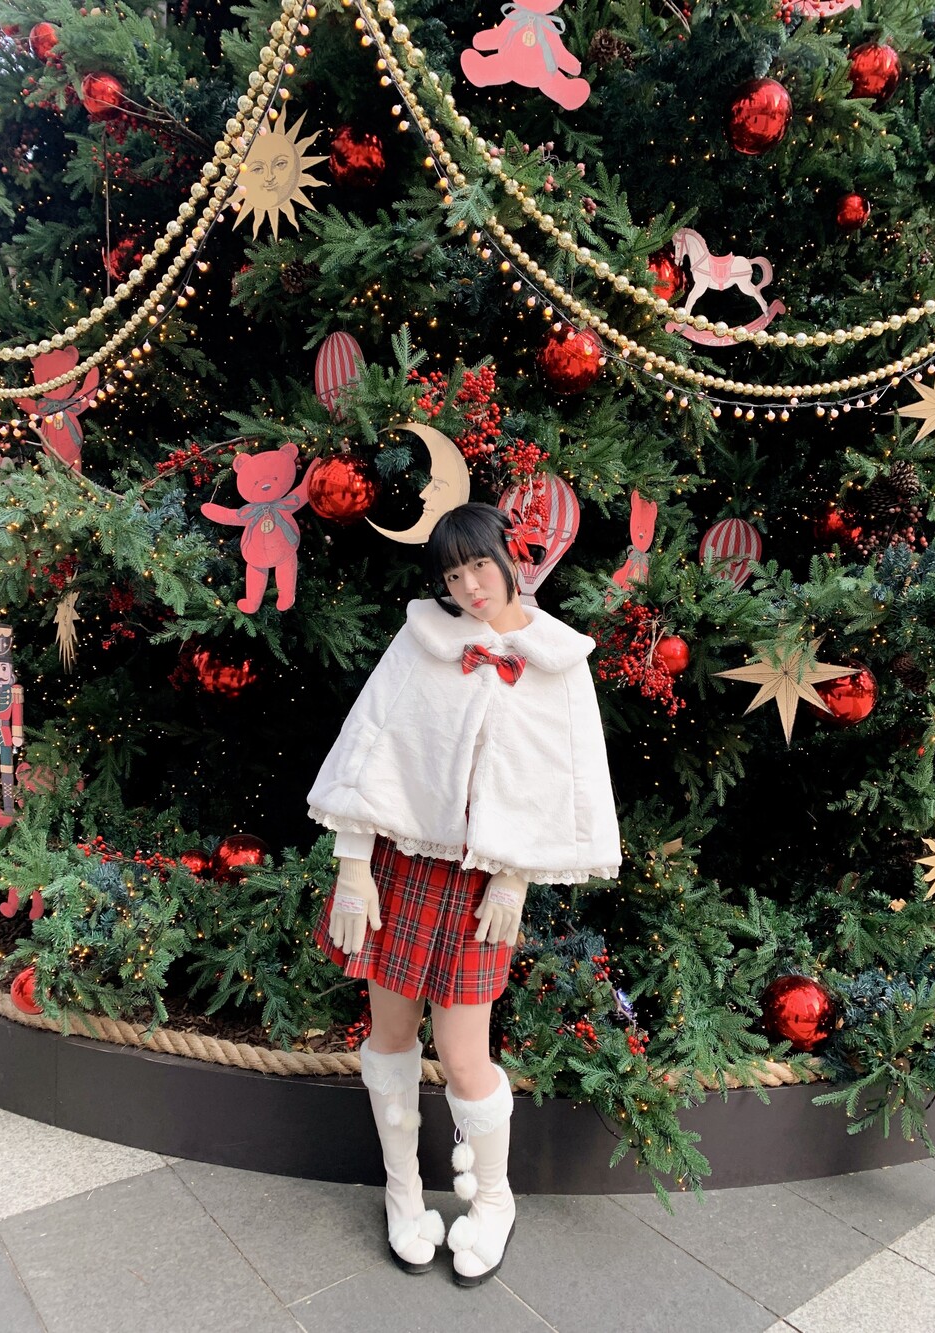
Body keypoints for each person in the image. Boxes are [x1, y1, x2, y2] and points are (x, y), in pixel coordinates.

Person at [307, 501, 620, 1286]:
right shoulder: (424, 641)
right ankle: (403, 1192)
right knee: (390, 1033)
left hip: (483, 884)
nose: (470, 586)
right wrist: (353, 865)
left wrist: (515, 876)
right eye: (452, 574)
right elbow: (373, 744)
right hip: (405, 865)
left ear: (510, 557)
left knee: (463, 1052)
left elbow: (559, 778)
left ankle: (493, 1200)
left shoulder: (557, 661)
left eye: (479, 564)